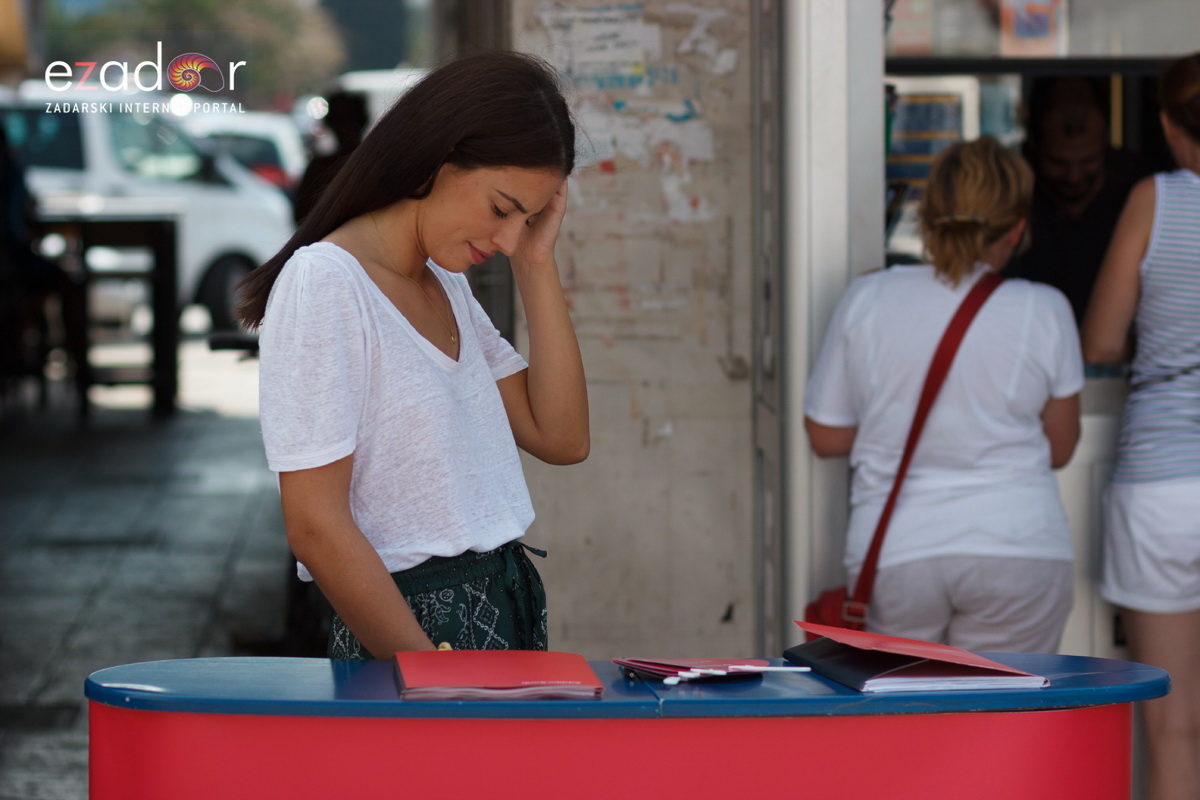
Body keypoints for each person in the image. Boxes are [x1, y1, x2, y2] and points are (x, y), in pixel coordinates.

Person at [236, 51, 589, 659]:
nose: (508, 239)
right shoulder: (327, 283)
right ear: (437, 158)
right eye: (502, 208)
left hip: (499, 615)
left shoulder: (443, 282)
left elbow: (562, 438)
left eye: (526, 219)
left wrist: (536, 263)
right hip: (412, 636)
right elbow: (316, 525)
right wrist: (429, 675)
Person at [805, 136, 1083, 653]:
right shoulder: (1044, 309)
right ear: (1018, 228)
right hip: (1018, 547)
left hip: (899, 552)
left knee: (910, 722)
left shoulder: (868, 296)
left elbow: (826, 435)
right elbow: (1061, 447)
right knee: (1004, 723)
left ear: (926, 218)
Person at [1081, 52, 1200, 800]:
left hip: (1162, 485)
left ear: (1164, 124)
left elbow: (1099, 340)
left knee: (1173, 726)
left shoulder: (1154, 199)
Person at [1009, 77, 1152, 322]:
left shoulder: (1141, 188)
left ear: (1107, 144)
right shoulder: (1010, 191)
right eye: (1058, 163)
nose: (1074, 177)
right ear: (1033, 146)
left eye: (1089, 161)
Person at [292, 91, 369, 226]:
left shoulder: (319, 168)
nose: (345, 128)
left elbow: (300, 217)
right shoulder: (374, 167)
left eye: (348, 121)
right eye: (341, 121)